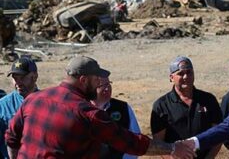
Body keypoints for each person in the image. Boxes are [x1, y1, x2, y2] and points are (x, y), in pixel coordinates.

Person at [5, 56, 195, 159]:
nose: (99, 84)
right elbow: (131, 142)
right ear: (83, 80)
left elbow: (11, 138)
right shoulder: (88, 114)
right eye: (96, 79)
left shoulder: (34, 99)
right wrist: (172, 148)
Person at [150, 56, 222, 159]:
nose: (186, 77)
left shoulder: (208, 100)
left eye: (189, 72)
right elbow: (158, 143)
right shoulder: (161, 105)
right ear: (171, 77)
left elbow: (218, 134)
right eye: (180, 73)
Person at [91, 72, 141, 159]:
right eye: (102, 85)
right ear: (91, 88)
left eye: (108, 84)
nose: (107, 88)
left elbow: (136, 140)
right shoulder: (81, 109)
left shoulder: (123, 108)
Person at [0, 57, 39, 159]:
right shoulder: (3, 105)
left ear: (35, 76)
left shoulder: (46, 103)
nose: (18, 82)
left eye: (22, 78)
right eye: (15, 78)